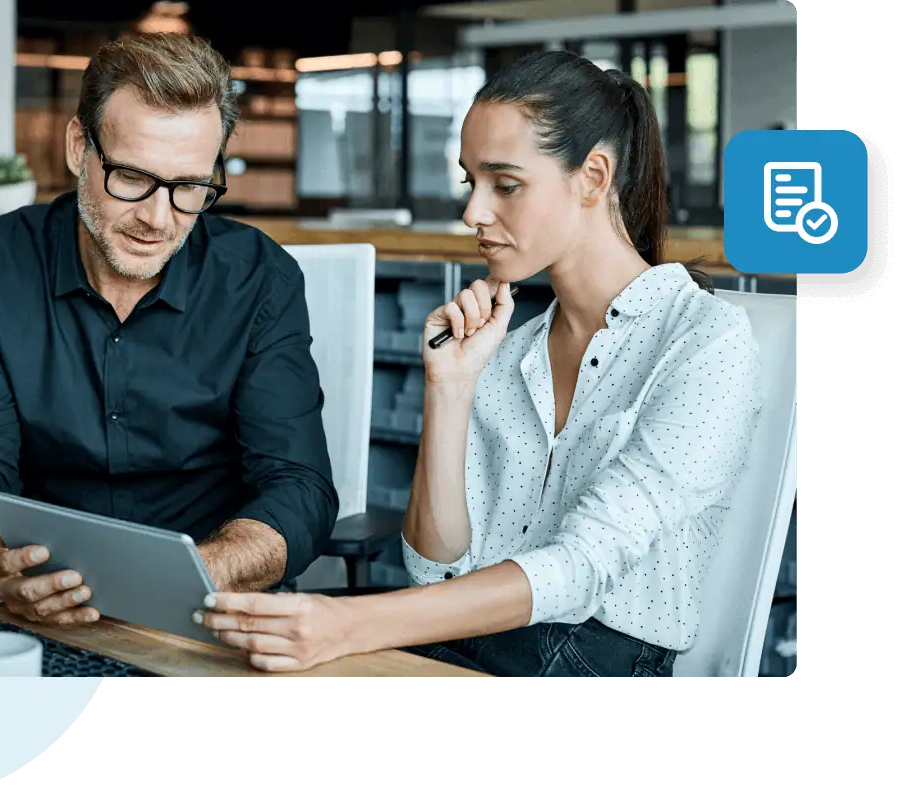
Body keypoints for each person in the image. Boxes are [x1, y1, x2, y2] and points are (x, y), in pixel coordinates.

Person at [193, 49, 764, 678]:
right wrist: (451, 387)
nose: (473, 213)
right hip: (478, 640)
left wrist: (350, 625)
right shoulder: (510, 348)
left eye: (506, 184)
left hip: (597, 663)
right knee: (235, 648)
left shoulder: (705, 341)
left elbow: (580, 567)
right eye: (472, 182)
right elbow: (434, 568)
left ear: (594, 177)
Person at [0, 33, 339, 628]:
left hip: (210, 603)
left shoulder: (261, 280)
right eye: (130, 177)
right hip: (38, 599)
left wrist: (203, 571)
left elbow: (298, 486)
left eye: (189, 187)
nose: (157, 218)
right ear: (78, 147)